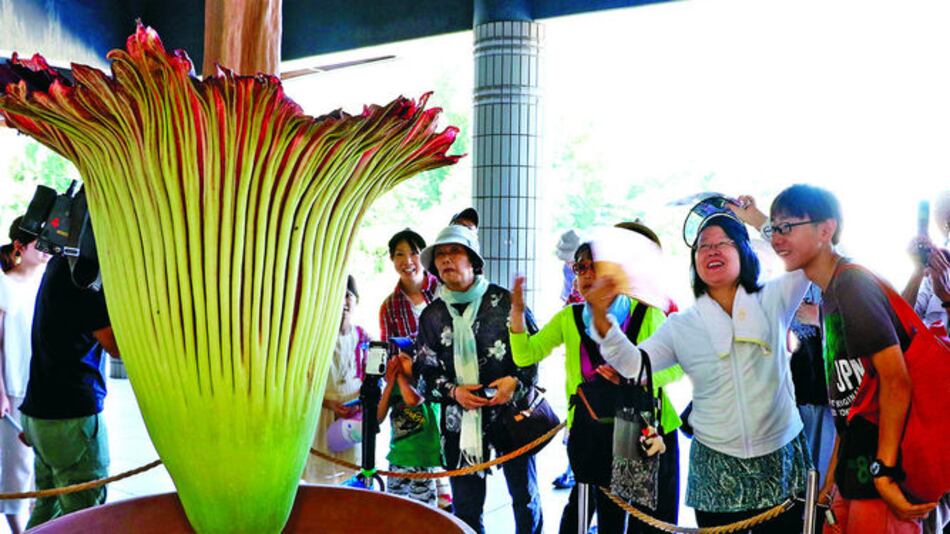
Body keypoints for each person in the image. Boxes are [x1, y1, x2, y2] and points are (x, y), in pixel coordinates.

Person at [589, 196, 812, 533]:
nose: (712, 250)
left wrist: (754, 218)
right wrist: (601, 317)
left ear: (745, 252)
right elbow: (634, 364)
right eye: (703, 246)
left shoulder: (774, 297)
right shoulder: (683, 324)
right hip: (714, 468)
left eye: (724, 242)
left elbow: (805, 256)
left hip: (779, 456)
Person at [767, 184, 938, 533]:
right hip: (857, 464)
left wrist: (885, 473)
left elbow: (895, 380)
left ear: (826, 229)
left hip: (881, 468)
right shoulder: (833, 292)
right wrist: (831, 479)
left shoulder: (851, 285)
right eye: (773, 228)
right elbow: (850, 403)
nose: (777, 238)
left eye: (788, 226)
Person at [511, 238, 684, 534]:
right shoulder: (570, 317)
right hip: (591, 430)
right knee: (595, 513)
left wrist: (633, 375)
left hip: (644, 431)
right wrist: (516, 313)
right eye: (580, 268)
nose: (587, 276)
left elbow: (676, 368)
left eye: (596, 267)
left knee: (646, 518)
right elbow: (526, 354)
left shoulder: (645, 312)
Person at [415, 224, 543, 534]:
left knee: (525, 500)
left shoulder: (505, 302)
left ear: (473, 260)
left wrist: (516, 381)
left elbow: (534, 352)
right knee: (466, 508)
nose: (446, 260)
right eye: (440, 255)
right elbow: (423, 373)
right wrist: (453, 391)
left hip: (511, 416)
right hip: (460, 422)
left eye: (454, 252)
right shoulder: (432, 315)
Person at [19, 251, 119, 528]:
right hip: (71, 418)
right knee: (84, 517)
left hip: (40, 412)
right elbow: (115, 344)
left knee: (47, 511)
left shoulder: (60, 264)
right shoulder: (85, 274)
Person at [377, 228, 452, 509]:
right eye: (399, 255)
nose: (407, 260)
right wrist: (404, 369)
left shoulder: (444, 290)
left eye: (413, 253)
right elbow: (389, 357)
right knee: (414, 490)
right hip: (411, 398)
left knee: (449, 485)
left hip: (449, 391)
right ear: (391, 259)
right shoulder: (389, 306)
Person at [0, 218, 50, 533]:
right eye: (39, 243)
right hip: (15, 386)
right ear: (20, 247)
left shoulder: (49, 281)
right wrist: (1, 391)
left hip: (44, 386)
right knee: (17, 468)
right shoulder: (4, 284)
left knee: (41, 469)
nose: (46, 249)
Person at [303, 275, 370, 485]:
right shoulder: (313, 338)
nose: (343, 302)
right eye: (337, 295)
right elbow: (301, 382)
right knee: (320, 475)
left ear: (356, 299)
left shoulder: (363, 336)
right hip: (320, 414)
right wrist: (326, 403)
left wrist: (359, 403)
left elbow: (370, 377)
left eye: (348, 295)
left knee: (350, 473)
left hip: (351, 417)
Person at [377, 349, 442, 505]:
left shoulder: (427, 383)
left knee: (424, 511)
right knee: (397, 509)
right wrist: (390, 383)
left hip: (422, 461)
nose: (398, 361)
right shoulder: (395, 387)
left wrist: (397, 376)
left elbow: (413, 400)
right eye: (397, 356)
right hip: (398, 458)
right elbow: (378, 417)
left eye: (404, 358)